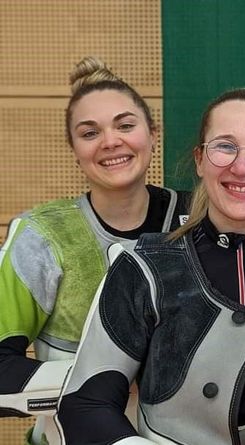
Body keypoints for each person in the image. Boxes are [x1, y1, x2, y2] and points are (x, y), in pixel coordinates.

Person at [56, 88, 245, 444]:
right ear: (200, 159)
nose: (242, 166)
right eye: (225, 146)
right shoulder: (142, 267)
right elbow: (84, 406)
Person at [0, 57, 189, 445]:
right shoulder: (42, 236)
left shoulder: (197, 221)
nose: (110, 142)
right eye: (90, 133)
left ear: (153, 132)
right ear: (73, 148)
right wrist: (96, 388)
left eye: (125, 125)